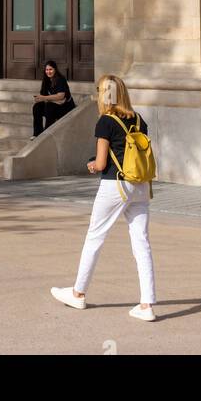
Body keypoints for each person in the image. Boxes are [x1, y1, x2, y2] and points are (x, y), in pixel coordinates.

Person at [51, 74, 156, 320]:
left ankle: (78, 294)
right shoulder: (139, 119)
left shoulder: (106, 122)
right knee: (142, 242)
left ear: (105, 94)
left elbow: (99, 163)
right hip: (140, 184)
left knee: (95, 237)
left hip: (115, 185)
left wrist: (90, 165)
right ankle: (147, 304)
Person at [32, 60, 76, 137]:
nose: (48, 72)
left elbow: (61, 96)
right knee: (37, 107)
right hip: (54, 104)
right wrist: (40, 99)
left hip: (65, 107)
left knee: (49, 106)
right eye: (47, 70)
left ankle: (47, 134)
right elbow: (43, 95)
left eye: (50, 69)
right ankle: (37, 133)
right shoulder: (46, 80)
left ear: (55, 69)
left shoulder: (60, 79)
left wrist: (44, 98)